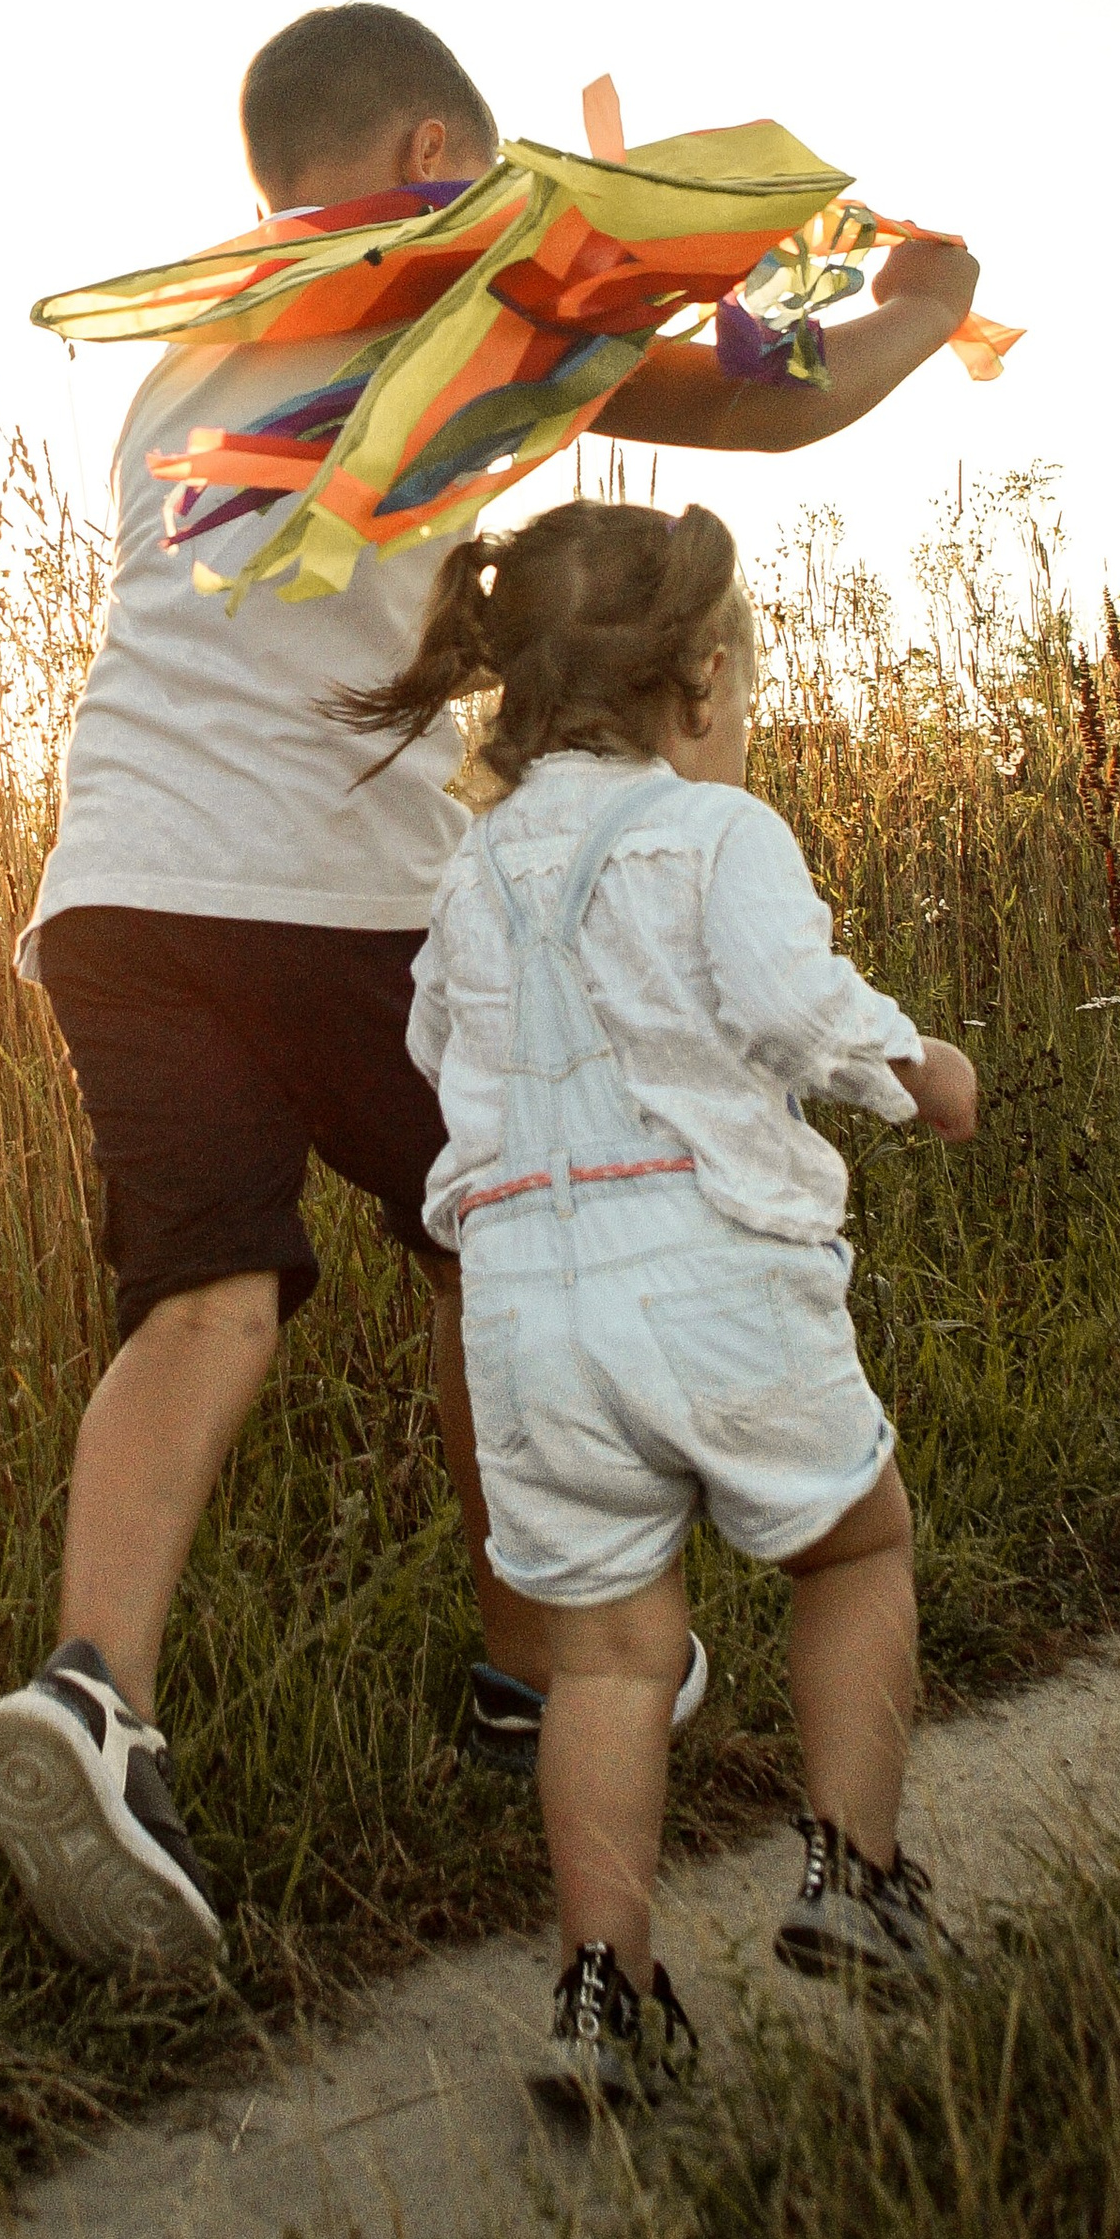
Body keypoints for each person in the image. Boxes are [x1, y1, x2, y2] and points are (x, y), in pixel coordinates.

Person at [0, 2, 982, 1980]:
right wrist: (917, 298)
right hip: (342, 901)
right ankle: (533, 1660)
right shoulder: (463, 292)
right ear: (439, 159)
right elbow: (753, 390)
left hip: (119, 888)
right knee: (498, 1244)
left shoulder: (193, 353)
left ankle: (95, 1697)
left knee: (206, 1287)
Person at [347, 497, 979, 2100]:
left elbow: (434, 1050)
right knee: (858, 1539)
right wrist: (915, 1065)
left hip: (528, 1320)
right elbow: (788, 1003)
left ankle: (604, 1997)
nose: (744, 721)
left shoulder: (476, 864)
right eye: (746, 693)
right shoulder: (714, 833)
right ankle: (859, 1874)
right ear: (698, 682)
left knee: (612, 1659)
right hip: (712, 1279)